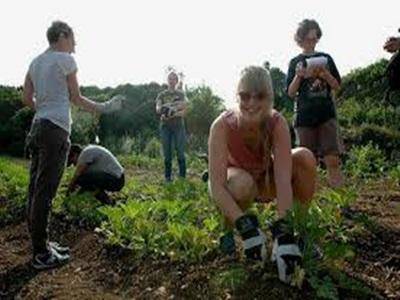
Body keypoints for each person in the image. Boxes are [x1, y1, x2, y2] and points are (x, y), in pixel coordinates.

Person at [23, 21, 121, 270]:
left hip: (37, 127)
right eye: (73, 40)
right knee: (45, 191)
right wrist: (103, 107)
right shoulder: (65, 60)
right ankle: (41, 253)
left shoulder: (35, 62)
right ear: (62, 35)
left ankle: (41, 243)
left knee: (35, 188)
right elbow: (76, 99)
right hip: (55, 130)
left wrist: (43, 111)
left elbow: (26, 98)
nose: (74, 46)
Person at [208, 66, 317, 283]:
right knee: (242, 184)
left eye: (260, 96)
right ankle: (229, 231)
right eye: (245, 96)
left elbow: (283, 180)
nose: (251, 103)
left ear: (270, 97)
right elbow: (217, 185)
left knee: (305, 157)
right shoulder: (222, 125)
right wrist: (245, 227)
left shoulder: (277, 123)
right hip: (236, 182)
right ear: (237, 96)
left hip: (266, 179)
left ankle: (299, 234)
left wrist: (284, 233)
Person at [286, 19, 343, 188]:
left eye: (314, 38)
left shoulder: (326, 58)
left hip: (326, 113)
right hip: (304, 116)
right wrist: (299, 76)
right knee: (306, 162)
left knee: (332, 158)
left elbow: (337, 86)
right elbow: (290, 93)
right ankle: (308, 203)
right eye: (307, 39)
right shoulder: (295, 62)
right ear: (300, 40)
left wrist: (326, 76)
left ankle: (341, 201)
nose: (311, 42)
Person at [155, 71, 187, 182]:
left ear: (177, 81)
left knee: (180, 151)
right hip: (165, 127)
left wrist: (173, 113)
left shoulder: (181, 94)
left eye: (174, 78)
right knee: (167, 153)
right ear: (167, 80)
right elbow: (158, 108)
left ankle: (182, 177)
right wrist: (166, 109)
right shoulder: (162, 95)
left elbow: (184, 110)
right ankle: (167, 178)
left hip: (178, 126)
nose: (172, 80)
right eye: (170, 78)